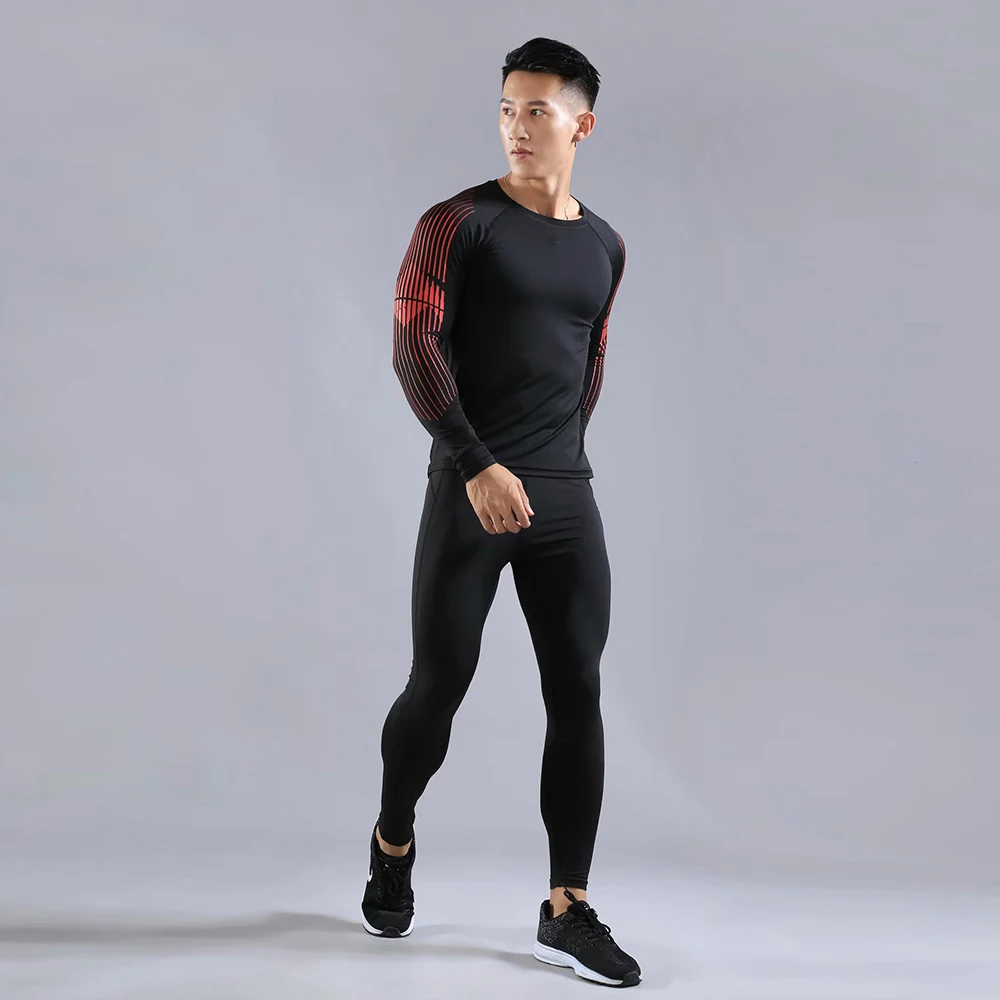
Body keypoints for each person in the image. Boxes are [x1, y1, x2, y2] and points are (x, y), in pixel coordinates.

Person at [361, 36, 640, 988]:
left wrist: (555, 463)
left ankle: (567, 906)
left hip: (564, 493)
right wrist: (477, 461)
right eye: (507, 110)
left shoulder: (605, 245)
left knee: (579, 691)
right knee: (439, 685)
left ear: (581, 124)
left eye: (537, 111)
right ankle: (393, 839)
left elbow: (588, 365)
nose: (517, 127)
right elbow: (414, 346)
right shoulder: (459, 222)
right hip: (470, 488)